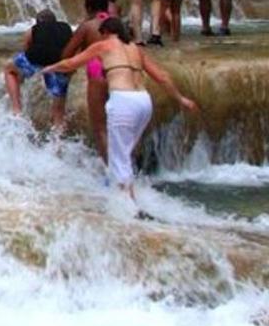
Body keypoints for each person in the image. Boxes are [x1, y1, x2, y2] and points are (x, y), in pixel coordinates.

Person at [43, 17, 199, 200]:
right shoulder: (135, 49)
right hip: (143, 102)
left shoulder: (104, 45)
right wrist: (181, 99)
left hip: (123, 101)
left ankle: (129, 206)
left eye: (102, 34)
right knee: (125, 151)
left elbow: (70, 63)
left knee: (119, 156)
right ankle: (127, 190)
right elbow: (162, 77)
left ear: (106, 32)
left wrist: (49, 68)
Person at [61, 0, 112, 159]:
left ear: (88, 8)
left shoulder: (88, 26)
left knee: (100, 127)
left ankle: (110, 170)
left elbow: (67, 54)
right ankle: (127, 165)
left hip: (97, 71)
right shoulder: (118, 25)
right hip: (120, 71)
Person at [4, 9, 74, 131]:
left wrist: (25, 73)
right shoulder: (66, 28)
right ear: (55, 21)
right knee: (58, 112)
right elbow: (71, 48)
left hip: (36, 60)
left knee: (9, 69)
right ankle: (58, 142)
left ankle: (16, 109)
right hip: (59, 64)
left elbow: (25, 50)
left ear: (37, 22)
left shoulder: (33, 29)